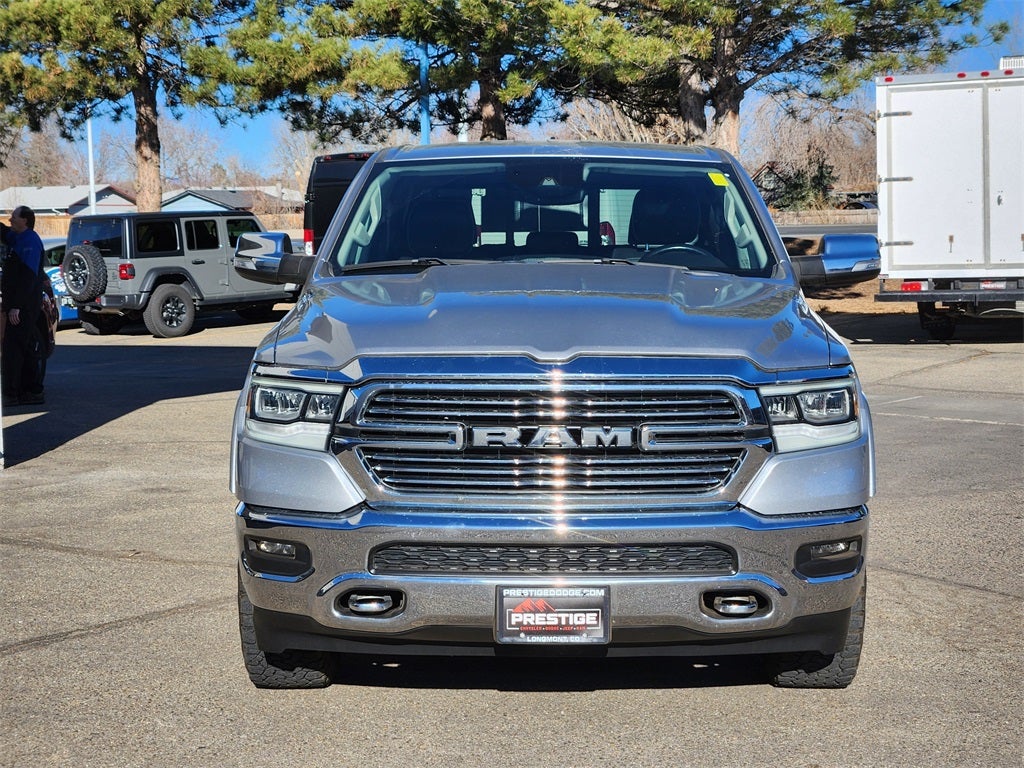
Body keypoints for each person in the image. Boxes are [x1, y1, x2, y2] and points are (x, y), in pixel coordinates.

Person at [1, 205, 46, 407]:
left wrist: (16, 306)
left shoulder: (30, 242)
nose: (10, 220)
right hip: (19, 305)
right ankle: (31, 390)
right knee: (26, 348)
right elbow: (3, 232)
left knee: (14, 349)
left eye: (14, 217)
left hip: (24, 307)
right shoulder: (17, 238)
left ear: (25, 220)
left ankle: (13, 393)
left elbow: (28, 277)